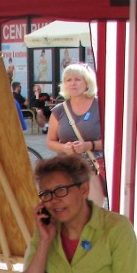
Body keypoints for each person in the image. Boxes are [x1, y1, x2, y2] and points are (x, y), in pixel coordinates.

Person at [15, 154, 137, 273]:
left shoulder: (116, 229)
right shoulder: (47, 230)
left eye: (61, 190)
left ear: (84, 190)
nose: (54, 201)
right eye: (46, 194)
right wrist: (44, 242)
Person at [46, 63, 106, 207]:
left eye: (77, 79)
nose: (72, 83)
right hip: (66, 170)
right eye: (68, 80)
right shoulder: (59, 111)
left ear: (87, 82)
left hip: (92, 170)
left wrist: (89, 145)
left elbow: (114, 140)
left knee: (92, 212)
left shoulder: (101, 106)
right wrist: (63, 147)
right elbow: (50, 141)